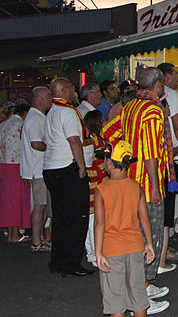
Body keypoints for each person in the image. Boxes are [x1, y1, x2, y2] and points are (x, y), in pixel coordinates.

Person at [101, 67, 172, 314]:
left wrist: (122, 155)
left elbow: (107, 131)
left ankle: (141, 290)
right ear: (159, 85)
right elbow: (152, 152)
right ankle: (141, 295)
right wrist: (154, 186)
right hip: (145, 182)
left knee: (135, 236)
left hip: (129, 179)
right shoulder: (152, 109)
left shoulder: (130, 106)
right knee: (148, 236)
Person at [94, 139, 156, 317]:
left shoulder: (101, 190)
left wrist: (98, 253)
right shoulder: (136, 187)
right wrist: (149, 244)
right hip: (135, 247)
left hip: (111, 250)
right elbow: (145, 219)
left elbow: (99, 223)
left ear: (109, 162)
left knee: (116, 300)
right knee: (138, 294)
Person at [42, 78, 93, 277]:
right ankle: (71, 263)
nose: (75, 91)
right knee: (76, 218)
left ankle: (58, 260)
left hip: (51, 168)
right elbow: (74, 141)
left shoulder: (52, 111)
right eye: (72, 87)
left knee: (61, 217)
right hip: (66, 167)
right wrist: (81, 167)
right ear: (63, 90)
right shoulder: (68, 111)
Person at [157, 63, 178, 273]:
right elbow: (177, 125)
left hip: (147, 160)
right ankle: (163, 249)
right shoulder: (169, 95)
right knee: (168, 202)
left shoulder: (137, 99)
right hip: (165, 158)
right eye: (176, 74)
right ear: (166, 77)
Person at [20, 86, 53, 252]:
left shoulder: (38, 116)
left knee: (44, 205)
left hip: (40, 168)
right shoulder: (35, 118)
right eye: (48, 95)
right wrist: (54, 147)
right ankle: (36, 241)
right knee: (40, 205)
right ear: (39, 98)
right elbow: (36, 143)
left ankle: (39, 238)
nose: (51, 98)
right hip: (37, 169)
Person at [0, 102, 31, 243]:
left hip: (4, 164)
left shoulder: (5, 123)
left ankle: (10, 231)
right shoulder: (19, 124)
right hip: (15, 164)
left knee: (8, 200)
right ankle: (15, 235)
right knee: (15, 200)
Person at [83, 110, 109, 267]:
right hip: (94, 182)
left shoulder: (95, 139)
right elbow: (90, 162)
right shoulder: (92, 141)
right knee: (94, 218)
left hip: (98, 182)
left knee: (93, 218)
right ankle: (93, 252)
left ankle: (92, 251)